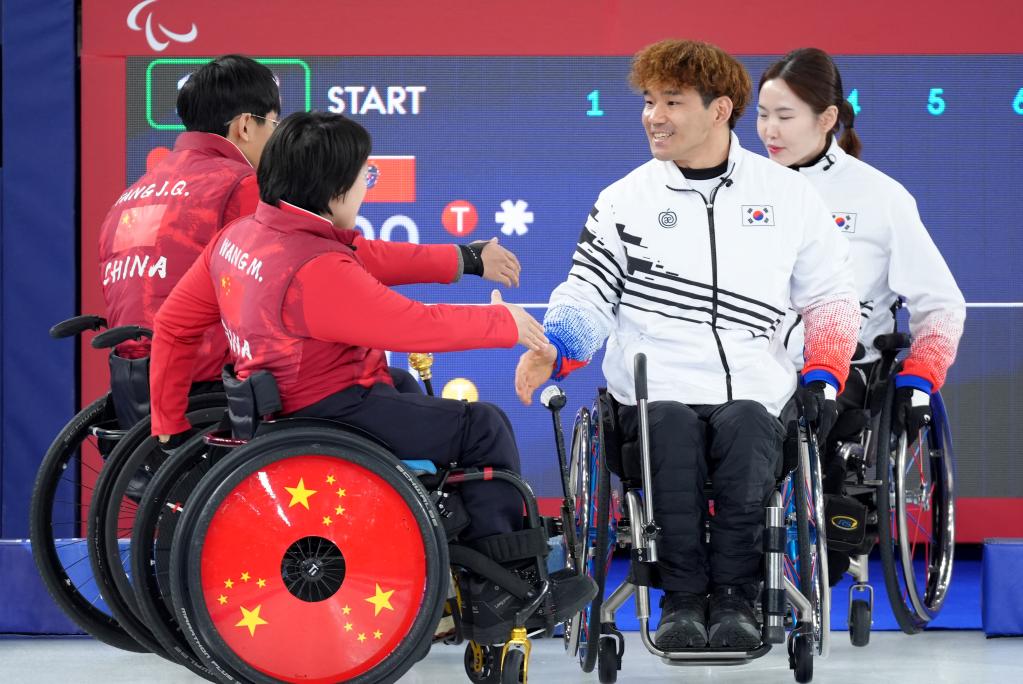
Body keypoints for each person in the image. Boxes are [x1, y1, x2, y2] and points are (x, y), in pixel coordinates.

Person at [148, 111, 595, 644]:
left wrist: (167, 425)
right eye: (367, 175)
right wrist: (504, 323)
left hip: (281, 407)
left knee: (402, 385)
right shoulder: (315, 271)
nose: (368, 185)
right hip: (332, 410)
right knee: (483, 427)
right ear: (335, 189)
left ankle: (456, 553)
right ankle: (504, 592)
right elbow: (413, 324)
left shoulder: (244, 237)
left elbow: (173, 324)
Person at [514, 39, 860, 650]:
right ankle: (680, 601)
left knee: (748, 426)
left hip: (755, 389)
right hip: (654, 391)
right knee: (668, 429)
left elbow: (831, 298)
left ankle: (734, 599)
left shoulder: (788, 197)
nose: (654, 116)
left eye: (671, 101)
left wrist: (825, 372)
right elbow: (587, 292)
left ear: (720, 109)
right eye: (649, 101)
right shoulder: (625, 200)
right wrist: (559, 348)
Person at [756, 47, 966, 581]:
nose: (769, 131)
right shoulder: (741, 187)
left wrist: (922, 376)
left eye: (785, 116)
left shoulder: (880, 197)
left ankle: (812, 550)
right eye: (762, 115)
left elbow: (940, 303)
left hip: (843, 370)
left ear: (827, 118)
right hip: (746, 361)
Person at [98, 55, 281, 410]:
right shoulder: (241, 186)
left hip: (134, 383)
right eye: (274, 124)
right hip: (212, 382)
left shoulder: (132, 194)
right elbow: (281, 283)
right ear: (245, 126)